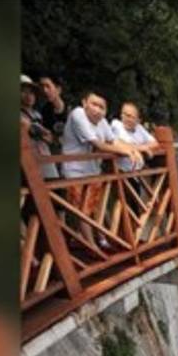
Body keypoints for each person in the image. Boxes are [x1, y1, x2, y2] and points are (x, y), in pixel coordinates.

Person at [62, 92, 143, 246]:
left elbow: (113, 141)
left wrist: (132, 150)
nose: (98, 110)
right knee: (81, 212)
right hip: (74, 171)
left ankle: (100, 240)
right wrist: (125, 151)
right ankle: (91, 246)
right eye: (94, 104)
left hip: (93, 171)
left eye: (102, 107)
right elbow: (97, 144)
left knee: (92, 207)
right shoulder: (78, 114)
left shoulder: (102, 121)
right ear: (84, 102)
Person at [20, 74, 58, 180]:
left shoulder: (38, 114)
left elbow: (49, 137)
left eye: (31, 92)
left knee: (54, 190)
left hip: (45, 162)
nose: (29, 95)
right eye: (24, 91)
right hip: (28, 166)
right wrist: (38, 131)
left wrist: (46, 135)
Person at [110, 102, 158, 173]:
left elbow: (155, 143)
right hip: (120, 172)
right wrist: (140, 148)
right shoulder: (116, 125)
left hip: (138, 170)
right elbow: (115, 142)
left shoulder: (139, 128)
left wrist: (142, 147)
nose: (128, 119)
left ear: (138, 120)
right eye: (125, 115)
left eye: (132, 117)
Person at [36, 75, 69, 150]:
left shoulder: (73, 109)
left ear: (58, 89)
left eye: (48, 86)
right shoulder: (43, 111)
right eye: (42, 87)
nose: (45, 90)